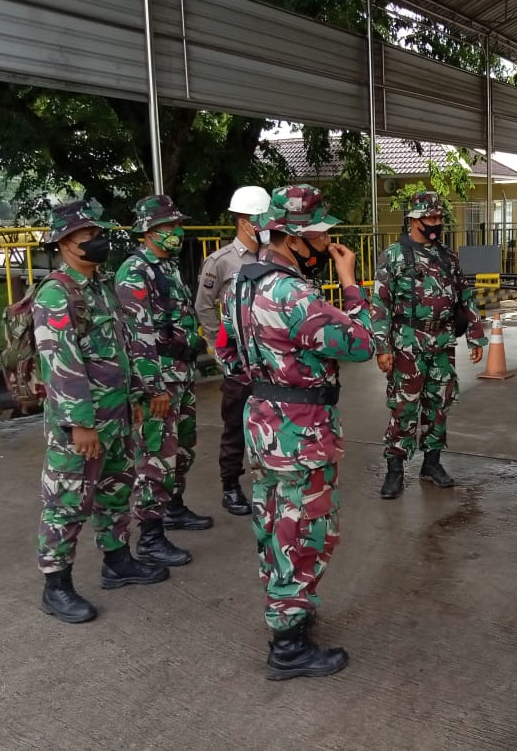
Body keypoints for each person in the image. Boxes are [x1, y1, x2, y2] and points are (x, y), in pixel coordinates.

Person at [217, 184, 374, 680]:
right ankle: (288, 644)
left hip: (263, 421)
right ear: (294, 237)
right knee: (303, 528)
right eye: (323, 238)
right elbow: (360, 342)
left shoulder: (242, 284)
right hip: (300, 431)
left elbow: (227, 356)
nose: (329, 247)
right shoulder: (292, 292)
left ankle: (288, 613)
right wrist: (351, 285)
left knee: (273, 523)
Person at [35, 201, 168, 624]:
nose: (99, 242)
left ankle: (117, 561)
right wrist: (80, 425)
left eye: (98, 233)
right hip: (84, 426)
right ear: (66, 244)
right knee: (67, 502)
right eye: (87, 236)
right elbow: (62, 365)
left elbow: (123, 352)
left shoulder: (100, 286)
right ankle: (56, 587)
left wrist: (138, 397)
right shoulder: (58, 293)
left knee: (114, 492)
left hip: (117, 416)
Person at [115, 194, 211, 568]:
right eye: (169, 227)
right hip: (159, 381)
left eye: (176, 225)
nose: (176, 232)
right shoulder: (134, 272)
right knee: (156, 455)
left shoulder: (165, 266)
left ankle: (173, 507)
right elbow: (137, 336)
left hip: (180, 374)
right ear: (149, 231)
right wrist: (152, 388)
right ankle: (150, 536)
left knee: (182, 446)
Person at [372, 191, 487, 500]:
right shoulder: (393, 256)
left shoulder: (449, 258)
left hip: (442, 343)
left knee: (440, 404)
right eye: (430, 218)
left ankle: (431, 464)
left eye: (439, 218)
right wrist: (382, 348)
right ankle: (395, 470)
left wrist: (476, 335)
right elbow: (380, 304)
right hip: (407, 343)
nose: (436, 224)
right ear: (413, 220)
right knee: (404, 407)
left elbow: (467, 297)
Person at [195, 185, 272, 516]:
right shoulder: (221, 262)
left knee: (270, 423)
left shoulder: (272, 257)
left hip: (269, 357)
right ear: (246, 222)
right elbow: (203, 306)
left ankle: (268, 482)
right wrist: (218, 346)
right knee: (235, 425)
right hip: (239, 359)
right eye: (264, 218)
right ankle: (231, 486)